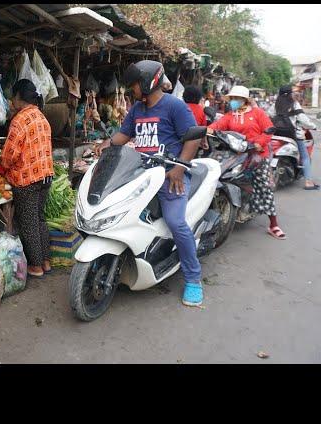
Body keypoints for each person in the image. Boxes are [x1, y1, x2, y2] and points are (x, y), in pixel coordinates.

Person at [95, 60, 204, 307]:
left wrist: (179, 168)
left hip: (170, 175)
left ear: (147, 82)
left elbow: (193, 138)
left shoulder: (174, 106)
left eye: (133, 85)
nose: (132, 90)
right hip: (141, 175)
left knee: (176, 222)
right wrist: (107, 144)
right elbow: (125, 134)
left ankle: (194, 279)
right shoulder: (136, 109)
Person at [208, 85, 286, 240]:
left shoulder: (257, 113)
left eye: (237, 98)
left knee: (264, 187)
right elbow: (217, 126)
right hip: (235, 154)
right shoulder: (230, 115)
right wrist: (206, 130)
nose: (233, 101)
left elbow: (269, 129)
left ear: (244, 100)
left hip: (257, 155)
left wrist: (259, 142)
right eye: (232, 98)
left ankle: (273, 224)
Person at [0, 79, 54, 278]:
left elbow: (9, 155)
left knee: (28, 223)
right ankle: (45, 261)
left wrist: (0, 166)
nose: (11, 101)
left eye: (13, 97)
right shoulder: (41, 117)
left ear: (19, 97)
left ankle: (36, 266)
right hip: (45, 176)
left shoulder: (19, 120)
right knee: (39, 219)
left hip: (27, 179)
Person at [274, 84, 318, 190]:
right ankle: (308, 182)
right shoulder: (294, 104)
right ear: (290, 93)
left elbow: (270, 116)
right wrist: (313, 126)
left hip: (277, 134)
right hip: (293, 135)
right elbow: (303, 120)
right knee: (305, 156)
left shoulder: (275, 104)